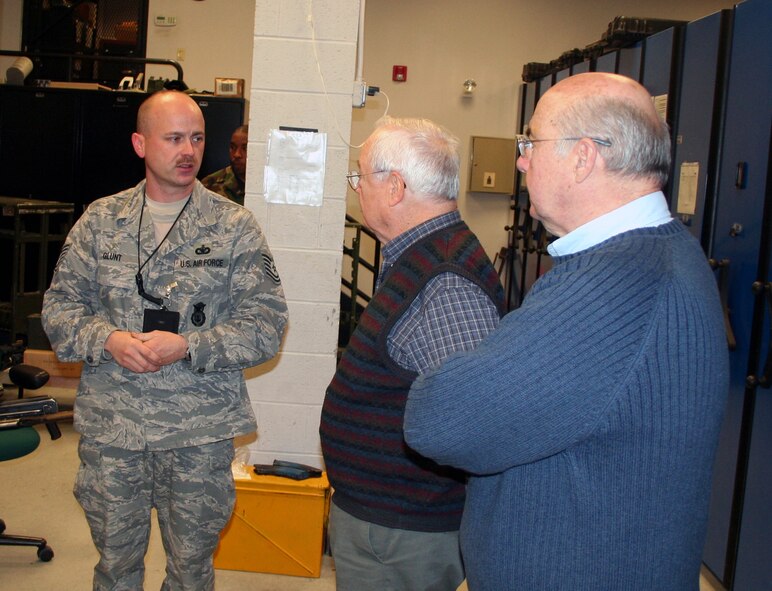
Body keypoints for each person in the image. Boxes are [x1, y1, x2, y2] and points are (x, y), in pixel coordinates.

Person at [403, 73, 730, 591]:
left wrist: (467, 369)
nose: (521, 160)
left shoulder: (615, 284)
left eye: (531, 142)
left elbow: (439, 420)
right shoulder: (661, 251)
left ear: (583, 157)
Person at [41, 91, 288, 590]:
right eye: (174, 138)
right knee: (115, 568)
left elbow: (267, 323)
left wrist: (190, 346)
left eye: (196, 138)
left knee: (191, 571)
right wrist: (107, 339)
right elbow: (58, 309)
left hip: (198, 430)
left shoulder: (233, 226)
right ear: (140, 143)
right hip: (116, 428)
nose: (188, 151)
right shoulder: (100, 221)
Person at [319, 117, 506, 591]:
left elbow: (474, 421)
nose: (357, 189)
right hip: (390, 522)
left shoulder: (445, 281)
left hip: (403, 533)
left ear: (395, 187)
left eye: (360, 177)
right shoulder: (418, 254)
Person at [201, 124, 248, 205]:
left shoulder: (267, 185)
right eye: (233, 147)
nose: (237, 154)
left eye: (245, 148)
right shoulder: (210, 184)